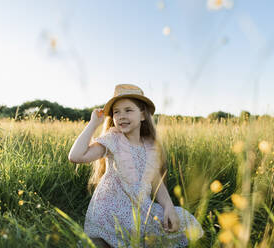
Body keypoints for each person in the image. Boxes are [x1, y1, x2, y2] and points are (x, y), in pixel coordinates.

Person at [69, 84, 203, 247]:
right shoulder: (113, 139)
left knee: (183, 220)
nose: (121, 116)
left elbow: (156, 183)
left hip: (140, 209)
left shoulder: (151, 146)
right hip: (110, 213)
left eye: (128, 110)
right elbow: (75, 156)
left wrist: (168, 207)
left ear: (142, 115)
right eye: (116, 112)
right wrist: (93, 124)